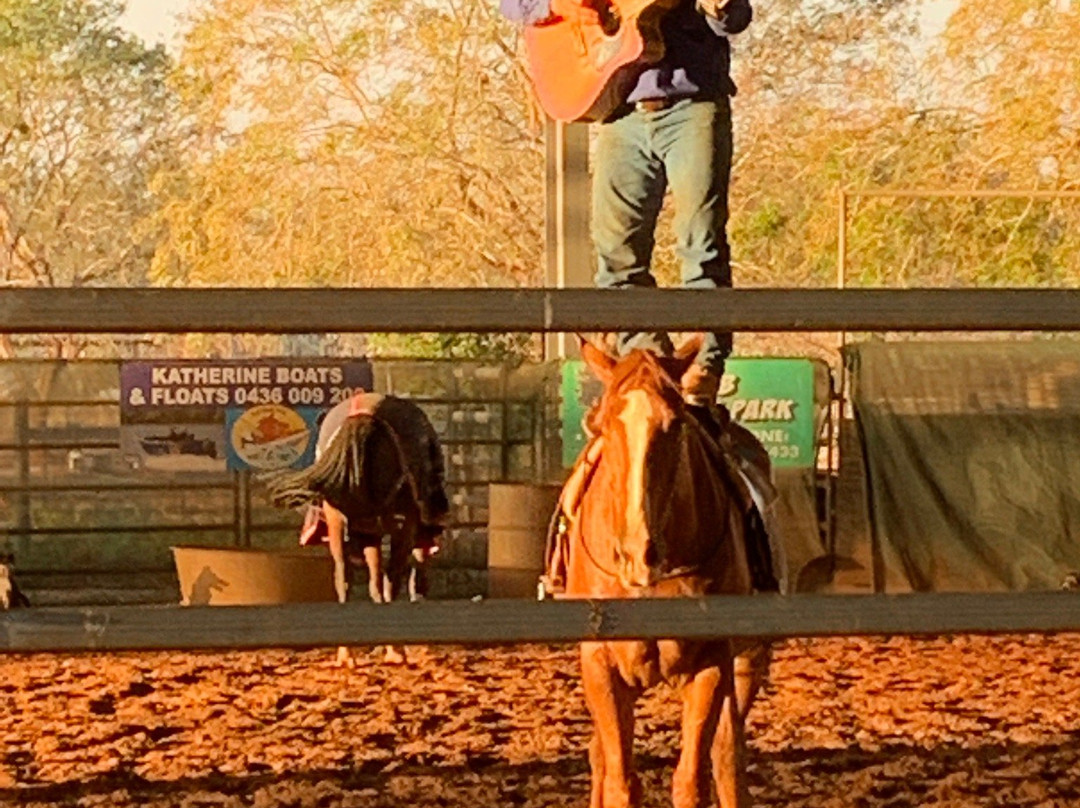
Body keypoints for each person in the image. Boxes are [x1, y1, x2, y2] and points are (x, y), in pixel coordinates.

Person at [500, 0, 753, 416]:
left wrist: (720, 10)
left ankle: (703, 365)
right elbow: (515, 5)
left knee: (700, 238)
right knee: (616, 253)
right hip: (619, 111)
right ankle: (644, 359)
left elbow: (735, 19)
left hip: (693, 102)